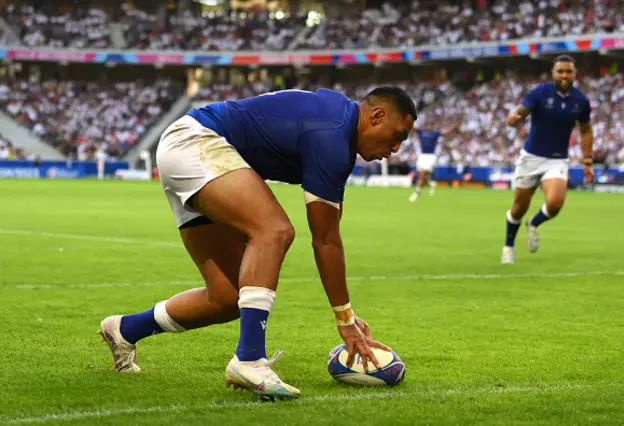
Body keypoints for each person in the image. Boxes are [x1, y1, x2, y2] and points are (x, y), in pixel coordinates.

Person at [98, 87, 417, 400]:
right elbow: (326, 241)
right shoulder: (333, 133)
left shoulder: (337, 128)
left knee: (227, 296)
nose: (397, 148)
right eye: (398, 135)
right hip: (196, 143)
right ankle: (249, 360)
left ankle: (125, 329)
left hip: (185, 149)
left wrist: (347, 316)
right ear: (377, 116)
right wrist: (345, 321)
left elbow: (328, 236)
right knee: (274, 231)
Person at [501, 55, 594, 264]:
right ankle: (508, 246)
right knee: (519, 207)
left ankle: (533, 223)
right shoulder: (540, 93)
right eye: (560, 71)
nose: (564, 75)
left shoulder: (580, 101)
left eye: (568, 71)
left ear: (574, 74)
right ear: (553, 73)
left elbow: (586, 130)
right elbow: (521, 111)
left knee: (554, 203)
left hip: (557, 159)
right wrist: (514, 118)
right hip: (531, 157)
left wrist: (587, 161)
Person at [409, 118, 459, 201]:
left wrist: (454, 127)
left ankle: (417, 193)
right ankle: (430, 183)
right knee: (421, 175)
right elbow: (413, 127)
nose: (429, 127)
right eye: (427, 125)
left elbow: (446, 132)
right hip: (422, 156)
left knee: (423, 174)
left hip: (431, 156)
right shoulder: (421, 132)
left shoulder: (435, 134)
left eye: (430, 125)